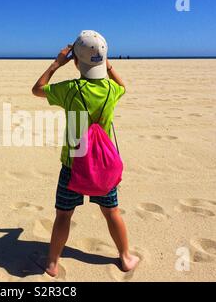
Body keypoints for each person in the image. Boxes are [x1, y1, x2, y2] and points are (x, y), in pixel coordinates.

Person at [31, 30, 139, 277]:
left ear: (76, 61)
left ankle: (52, 264)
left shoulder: (69, 89)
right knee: (111, 212)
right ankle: (125, 257)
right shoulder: (112, 91)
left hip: (73, 165)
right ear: (103, 61)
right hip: (103, 166)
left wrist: (57, 63)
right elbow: (123, 86)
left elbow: (38, 89)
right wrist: (107, 63)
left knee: (63, 215)